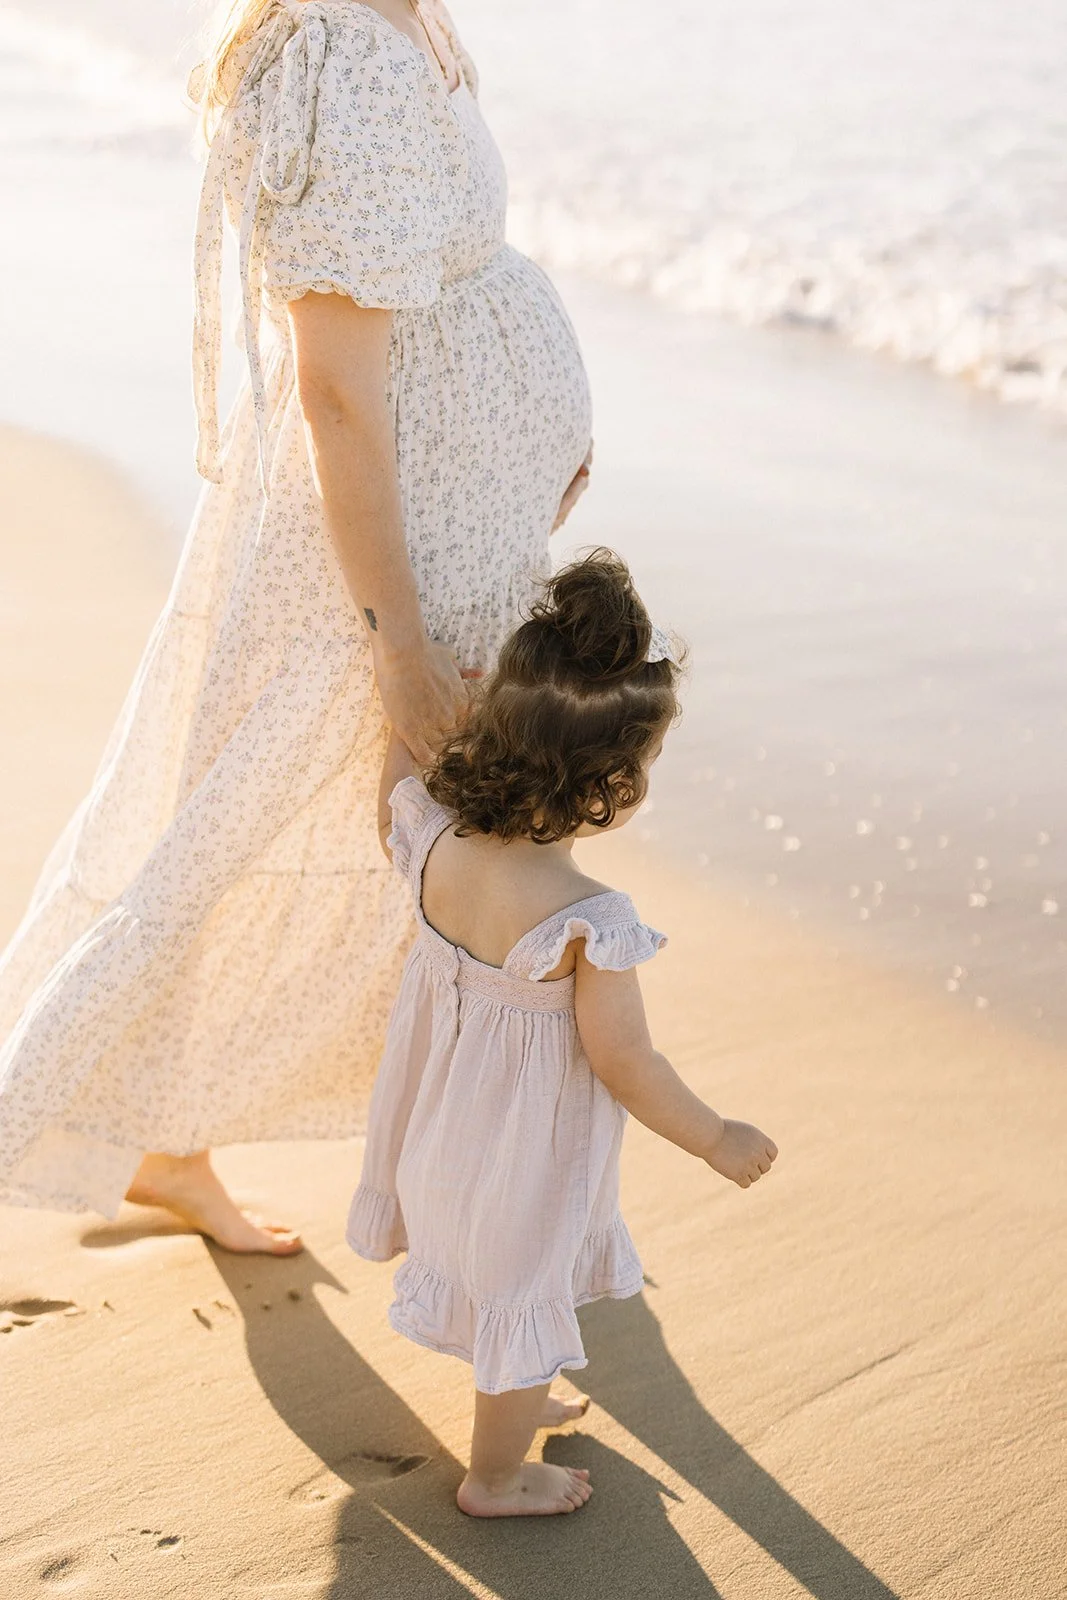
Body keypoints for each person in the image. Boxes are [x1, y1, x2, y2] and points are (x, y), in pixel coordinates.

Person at [0, 0, 592, 1250]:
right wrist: (396, 640)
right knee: (273, 843)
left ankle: (191, 1149)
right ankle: (486, 1253)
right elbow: (332, 385)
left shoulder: (407, 19)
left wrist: (540, 427)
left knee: (365, 861)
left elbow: (453, 282)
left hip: (454, 534)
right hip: (391, 562)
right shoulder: (344, 58)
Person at [348, 550, 779, 1517]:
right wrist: (716, 1137)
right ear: (614, 782)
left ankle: (521, 1400)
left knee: (500, 1285)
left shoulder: (434, 835)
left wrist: (412, 716)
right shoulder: (589, 916)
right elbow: (627, 1064)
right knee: (519, 1294)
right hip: (520, 1158)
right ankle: (497, 1475)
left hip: (436, 1123)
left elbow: (394, 791)